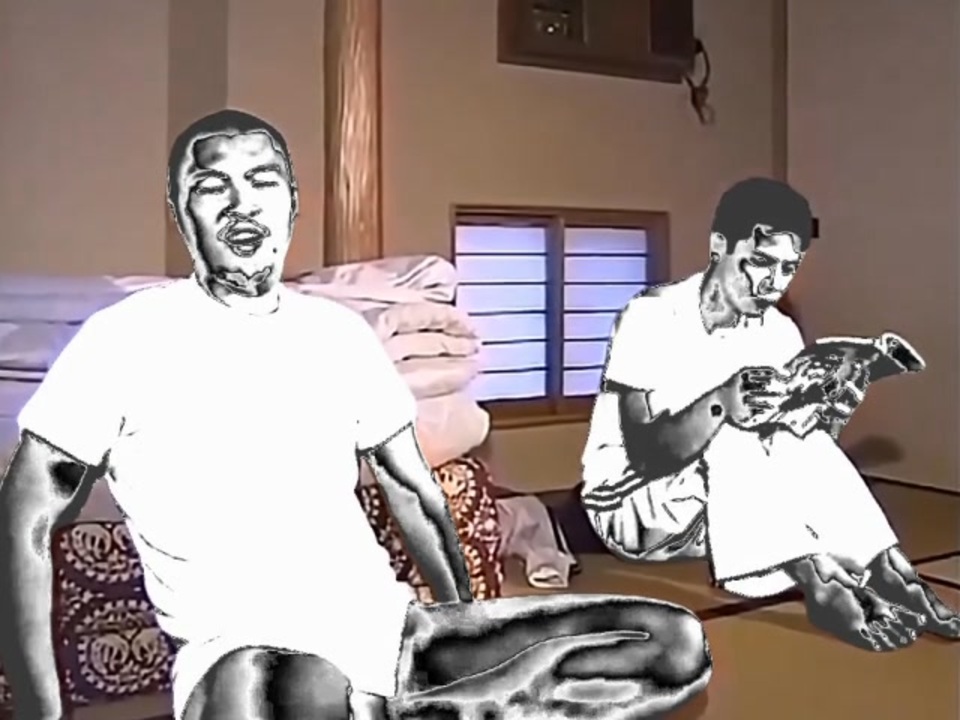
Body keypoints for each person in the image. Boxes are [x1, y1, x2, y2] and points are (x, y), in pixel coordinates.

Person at [0, 109, 711, 720]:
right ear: (180, 209)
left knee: (671, 642)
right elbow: (26, 514)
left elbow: (413, 490)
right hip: (248, 658)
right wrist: (40, 710)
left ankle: (418, 708)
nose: (242, 205)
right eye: (212, 186)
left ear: (292, 201)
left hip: (393, 634)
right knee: (290, 687)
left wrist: (460, 614)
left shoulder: (337, 332)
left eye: (262, 181)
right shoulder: (126, 337)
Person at [581, 177, 960, 653]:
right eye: (760, 261)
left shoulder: (778, 330)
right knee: (733, 432)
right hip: (633, 506)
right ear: (719, 246)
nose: (772, 284)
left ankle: (892, 571)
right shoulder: (651, 316)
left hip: (723, 512)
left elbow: (794, 456)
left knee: (798, 438)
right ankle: (822, 582)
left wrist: (830, 403)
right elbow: (645, 455)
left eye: (788, 268)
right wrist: (721, 402)